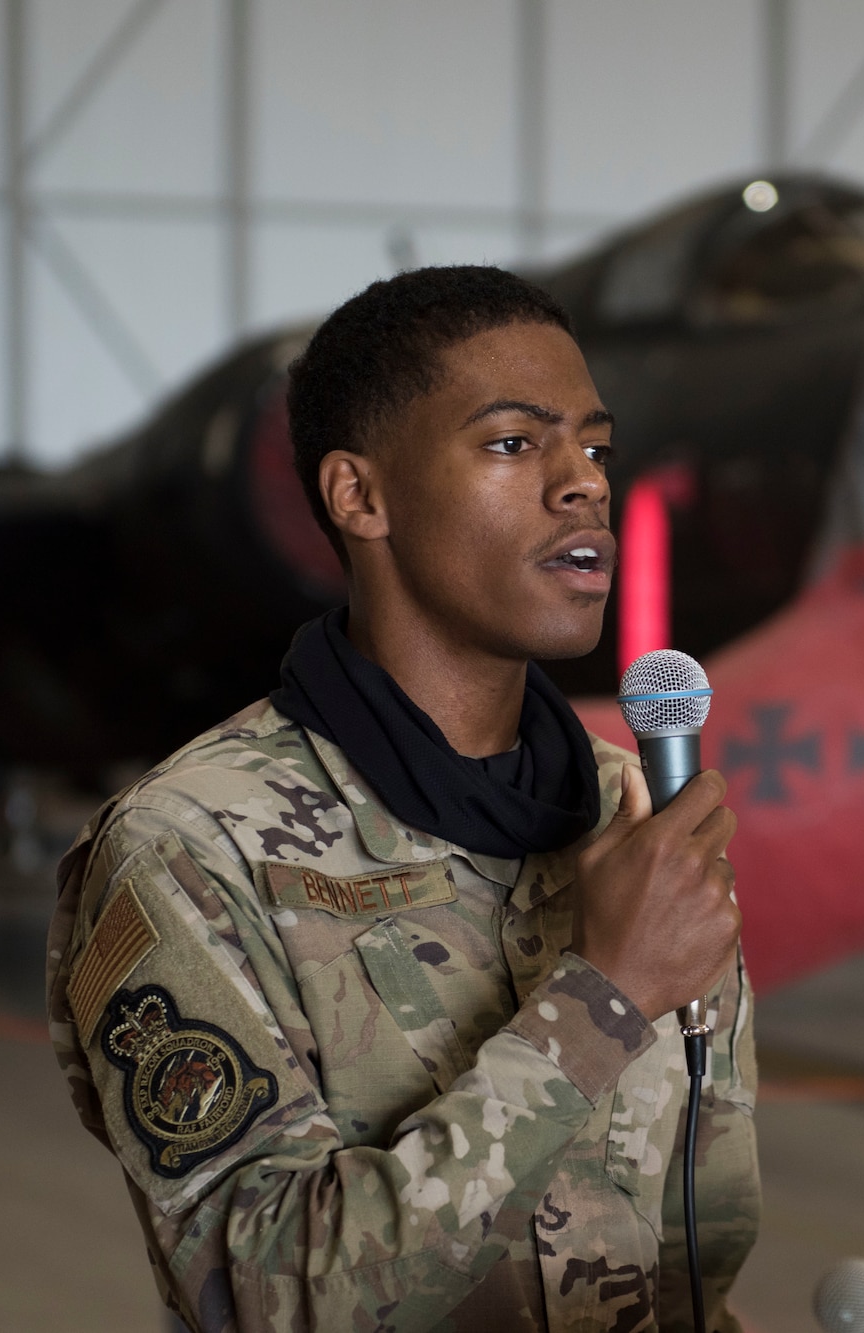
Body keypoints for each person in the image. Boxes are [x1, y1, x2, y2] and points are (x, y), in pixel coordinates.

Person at [43, 266, 755, 1333]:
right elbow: (270, 1291)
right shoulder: (188, 848)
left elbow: (703, 1244)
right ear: (358, 496)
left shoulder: (630, 808)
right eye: (514, 444)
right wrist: (602, 999)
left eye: (595, 447)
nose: (584, 485)